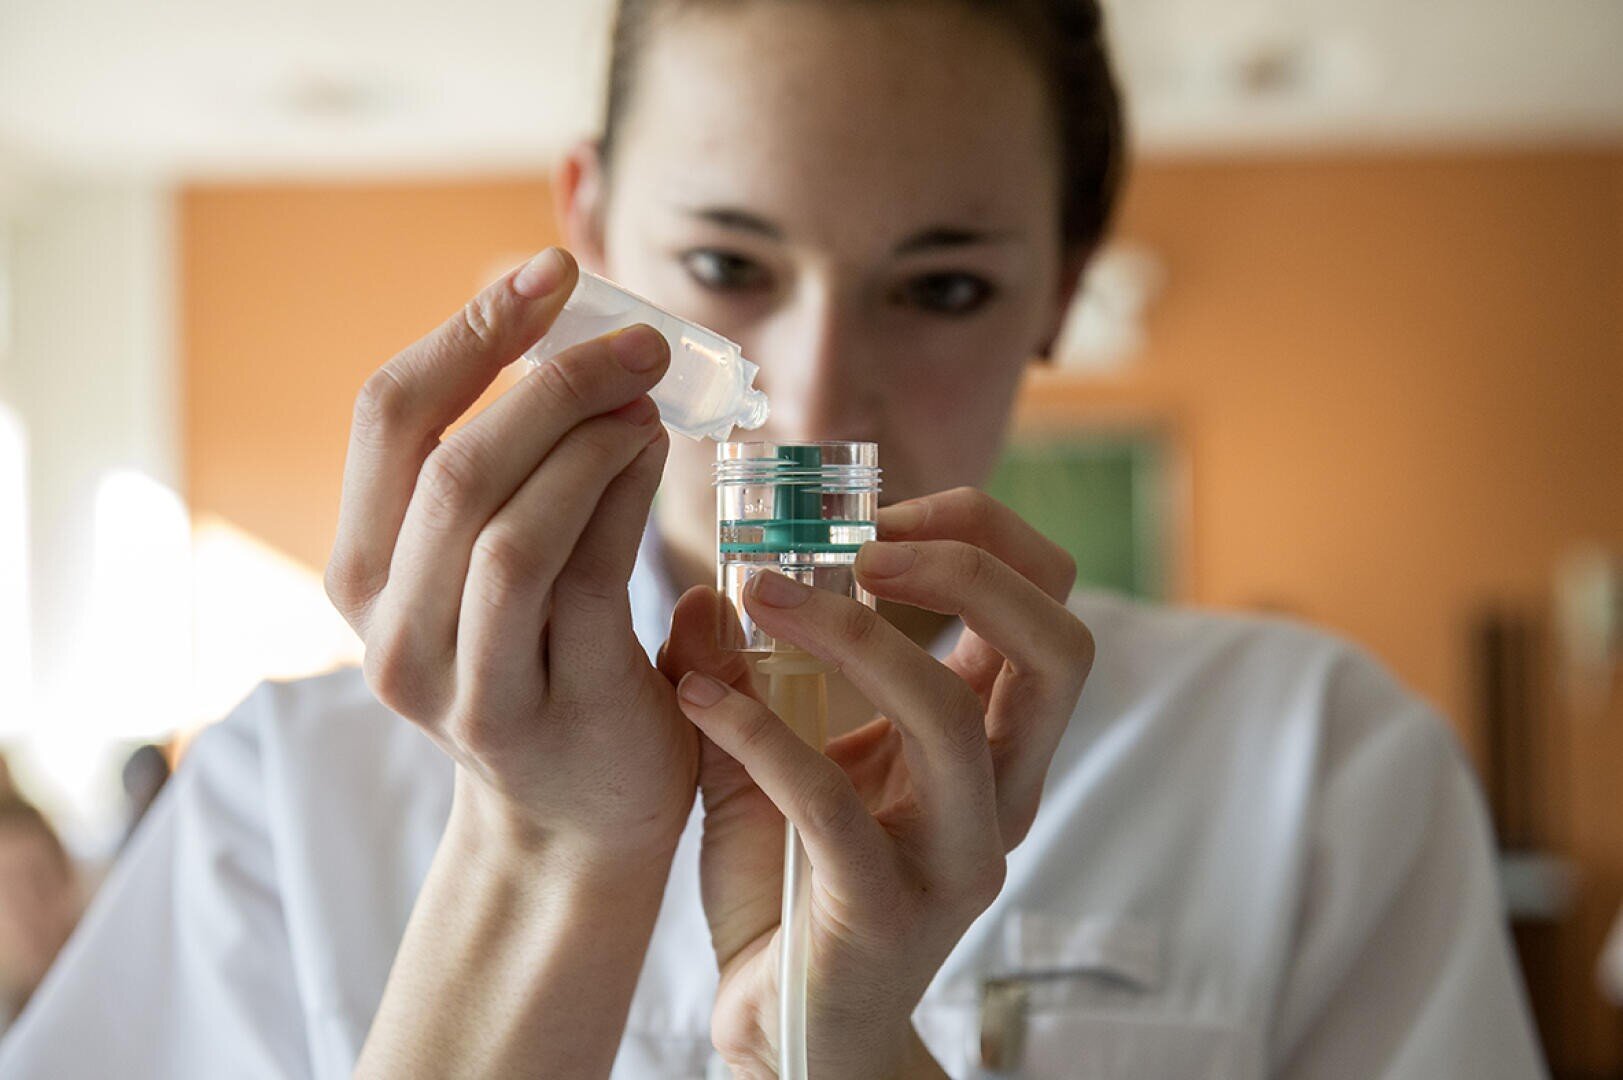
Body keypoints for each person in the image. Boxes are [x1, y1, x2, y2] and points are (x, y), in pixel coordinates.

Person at [0, 0, 1546, 1076]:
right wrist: (541, 853)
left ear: (1065, 286)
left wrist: (847, 1055)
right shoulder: (283, 801)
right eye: (729, 263)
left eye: (940, 287)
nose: (812, 400)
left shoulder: (1312, 763)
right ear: (592, 233)